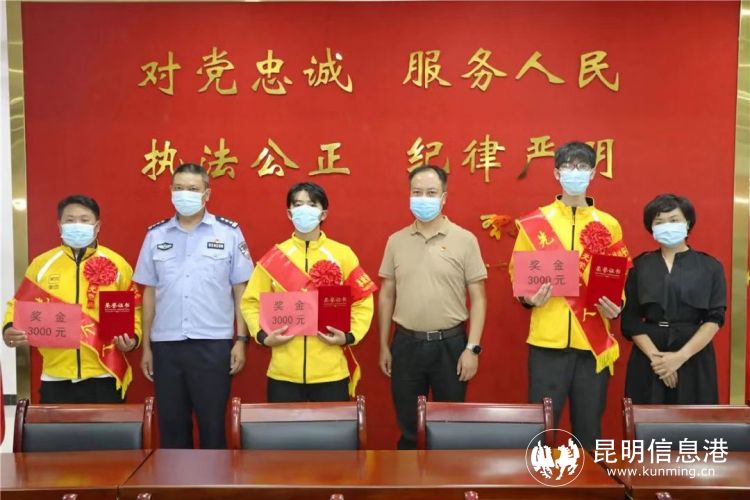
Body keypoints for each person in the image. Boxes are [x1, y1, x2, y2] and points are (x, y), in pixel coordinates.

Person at [510, 141, 630, 450]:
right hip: (546, 343)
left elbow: (619, 278)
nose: (575, 173)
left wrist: (617, 305)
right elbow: (518, 274)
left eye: (582, 167)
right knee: (541, 428)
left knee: (589, 429)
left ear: (593, 173)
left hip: (592, 345)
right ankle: (539, 479)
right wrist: (528, 298)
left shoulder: (609, 224)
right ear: (556, 173)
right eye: (568, 167)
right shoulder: (536, 222)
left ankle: (587, 479)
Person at [133, 163, 252, 448]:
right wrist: (147, 346)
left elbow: (241, 290)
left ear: (206, 194)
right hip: (166, 345)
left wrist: (241, 340)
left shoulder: (229, 233)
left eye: (192, 189)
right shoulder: (155, 235)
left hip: (212, 345)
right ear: (170, 191)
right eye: (179, 188)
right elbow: (149, 292)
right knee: (172, 429)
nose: (184, 194)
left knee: (213, 427)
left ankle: (214, 479)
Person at [378, 165, 487, 449]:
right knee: (409, 430)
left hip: (451, 346)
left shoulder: (464, 240)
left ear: (444, 197)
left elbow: (479, 298)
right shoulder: (396, 241)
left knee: (449, 430)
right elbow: (387, 295)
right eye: (417, 192)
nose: (423, 199)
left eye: (431, 192)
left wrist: (472, 349)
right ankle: (409, 477)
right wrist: (384, 345)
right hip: (406, 345)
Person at [241, 182, 375, 402]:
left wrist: (349, 335)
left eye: (312, 204)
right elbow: (250, 302)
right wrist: (263, 336)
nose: (304, 209)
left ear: (323, 213)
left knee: (333, 427)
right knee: (285, 427)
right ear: (289, 213)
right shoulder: (274, 257)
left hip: (331, 372)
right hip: (283, 373)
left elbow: (363, 300)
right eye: (298, 204)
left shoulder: (342, 254)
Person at [3, 195, 141, 403]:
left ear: (97, 226)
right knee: (57, 427)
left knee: (108, 427)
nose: (77, 225)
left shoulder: (117, 264)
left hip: (105, 374)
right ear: (59, 225)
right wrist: (9, 328)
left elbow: (135, 309)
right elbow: (19, 305)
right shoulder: (42, 264)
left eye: (84, 220)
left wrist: (133, 338)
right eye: (70, 220)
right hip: (55, 376)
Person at [622, 194, 726, 404]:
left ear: (687, 223)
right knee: (647, 419)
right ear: (651, 228)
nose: (667, 226)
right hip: (649, 357)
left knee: (692, 421)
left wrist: (679, 357)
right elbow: (630, 320)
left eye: (674, 220)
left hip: (693, 355)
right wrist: (659, 361)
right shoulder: (639, 266)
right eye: (659, 222)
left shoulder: (710, 267)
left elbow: (715, 319)